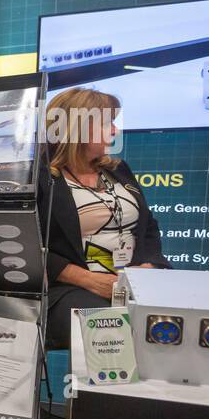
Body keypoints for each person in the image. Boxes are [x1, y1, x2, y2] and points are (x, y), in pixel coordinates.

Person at [39, 87, 168, 348]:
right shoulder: (40, 178)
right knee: (112, 330)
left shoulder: (118, 170)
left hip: (131, 285)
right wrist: (88, 280)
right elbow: (29, 244)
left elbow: (149, 228)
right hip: (68, 289)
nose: (114, 131)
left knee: (175, 322)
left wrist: (150, 267)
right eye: (106, 123)